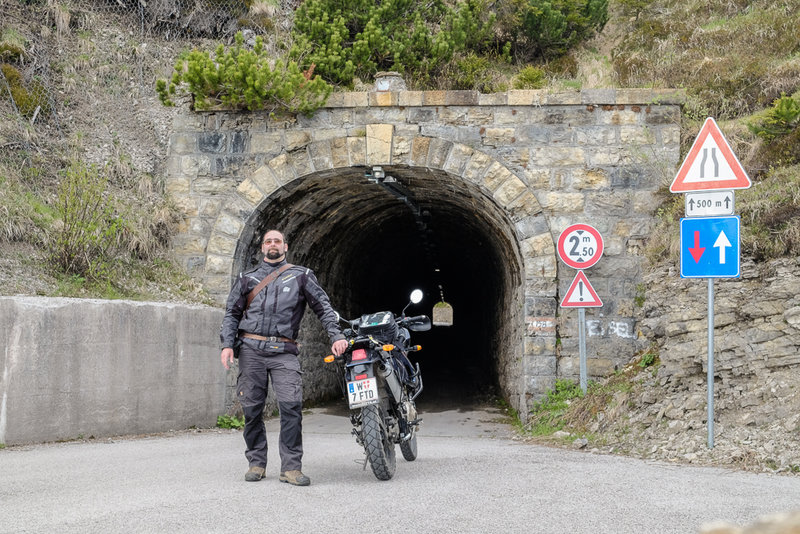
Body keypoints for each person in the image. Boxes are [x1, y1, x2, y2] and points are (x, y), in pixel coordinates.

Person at [220, 229, 348, 485]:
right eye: (268, 241)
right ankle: (256, 463)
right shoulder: (247, 278)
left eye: (277, 241)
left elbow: (323, 308)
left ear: (285, 246)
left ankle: (291, 467)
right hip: (251, 350)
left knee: (291, 407)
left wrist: (336, 335)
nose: (272, 245)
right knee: (252, 409)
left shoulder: (302, 276)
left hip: (284, 351)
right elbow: (232, 314)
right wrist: (227, 345)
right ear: (262, 248)